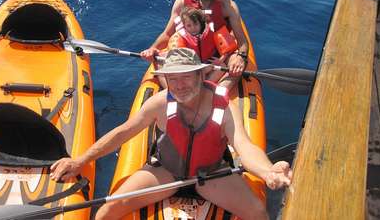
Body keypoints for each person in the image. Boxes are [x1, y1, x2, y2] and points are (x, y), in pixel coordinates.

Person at [50, 48, 292, 220]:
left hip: (211, 175)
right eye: (172, 79)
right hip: (165, 172)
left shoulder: (223, 106)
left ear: (201, 74)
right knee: (105, 213)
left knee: (259, 214)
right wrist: (80, 160)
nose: (179, 85)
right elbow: (122, 133)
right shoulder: (160, 104)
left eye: (186, 76)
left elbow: (245, 146)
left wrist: (267, 170)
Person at [140, 0, 249, 84]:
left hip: (217, 58)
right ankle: (174, 92)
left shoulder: (228, 6)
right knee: (158, 59)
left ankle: (216, 93)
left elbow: (242, 42)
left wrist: (241, 57)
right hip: (187, 56)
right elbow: (167, 34)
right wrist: (152, 49)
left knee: (237, 65)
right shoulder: (181, 2)